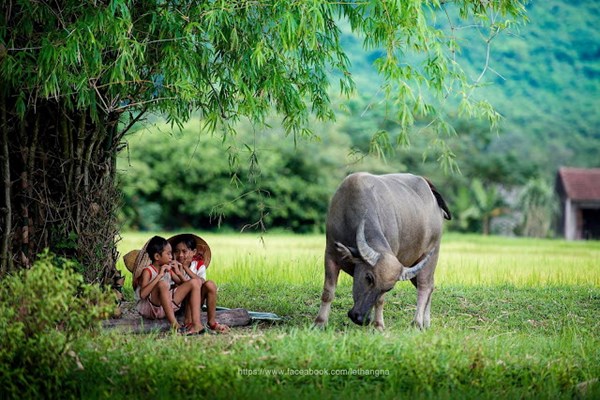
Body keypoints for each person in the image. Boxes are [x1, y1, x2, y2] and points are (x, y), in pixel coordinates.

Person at [133, 235, 206, 335]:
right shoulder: (147, 271)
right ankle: (175, 325)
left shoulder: (168, 269)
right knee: (162, 284)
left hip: (166, 306)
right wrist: (159, 276)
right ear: (157, 257)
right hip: (151, 309)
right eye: (168, 254)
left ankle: (196, 324)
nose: (172, 257)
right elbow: (142, 295)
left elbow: (185, 286)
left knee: (195, 282)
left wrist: (179, 272)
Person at [168, 233, 230, 333]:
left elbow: (201, 282)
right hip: (177, 304)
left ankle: (212, 322)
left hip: (195, 302)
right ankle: (188, 322)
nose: (180, 255)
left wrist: (185, 268)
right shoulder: (171, 267)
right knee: (191, 287)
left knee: (210, 284)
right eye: (176, 251)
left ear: (193, 252)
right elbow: (177, 287)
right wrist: (178, 272)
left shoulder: (198, 265)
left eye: (184, 251)